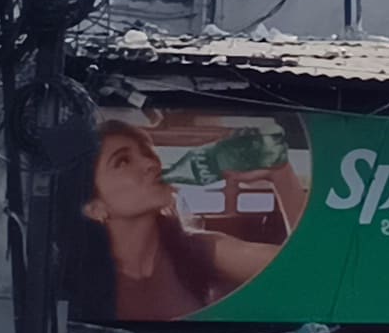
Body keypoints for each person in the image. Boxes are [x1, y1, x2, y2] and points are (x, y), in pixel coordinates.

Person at [86, 117, 303, 320]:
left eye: (146, 152)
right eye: (123, 161)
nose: (150, 163)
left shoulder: (196, 248)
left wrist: (280, 173)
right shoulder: (79, 283)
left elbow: (303, 271)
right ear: (95, 208)